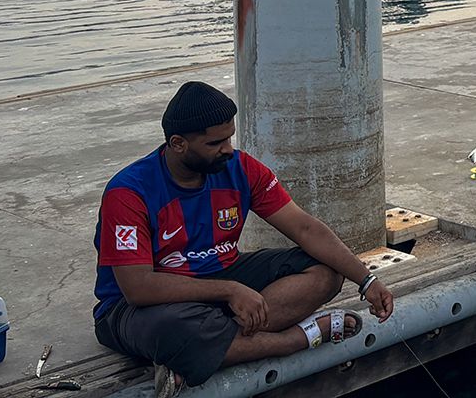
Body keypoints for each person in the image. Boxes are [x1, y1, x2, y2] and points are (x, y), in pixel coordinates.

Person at [94, 82, 395, 394]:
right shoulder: (129, 192)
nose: (227, 148)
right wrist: (230, 290)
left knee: (327, 271)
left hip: (217, 280)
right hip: (140, 305)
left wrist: (366, 280)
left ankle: (206, 347)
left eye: (229, 137)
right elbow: (137, 288)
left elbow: (305, 228)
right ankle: (293, 340)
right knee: (172, 328)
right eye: (215, 143)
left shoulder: (239, 167)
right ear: (178, 143)